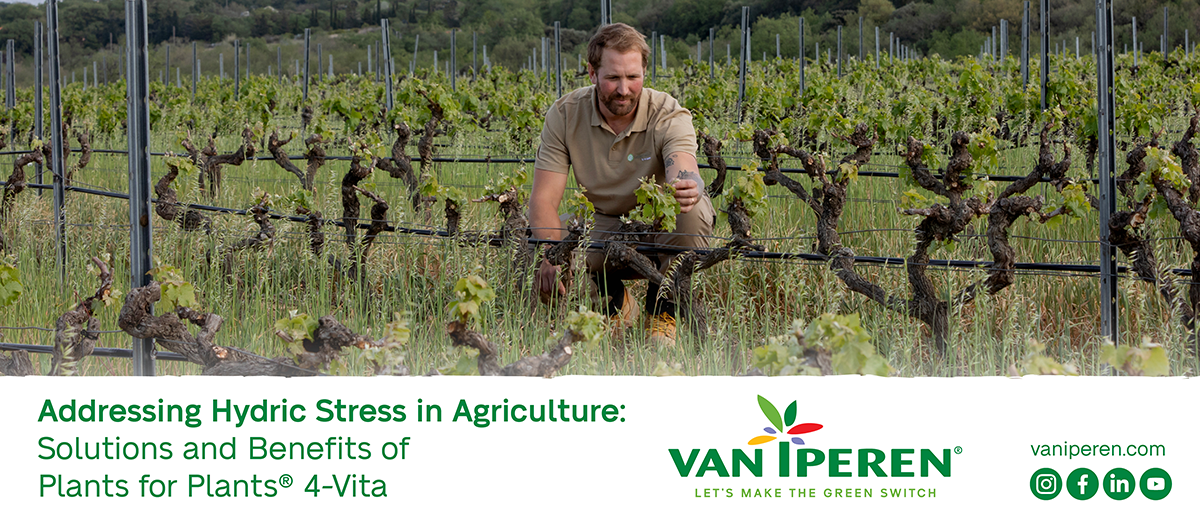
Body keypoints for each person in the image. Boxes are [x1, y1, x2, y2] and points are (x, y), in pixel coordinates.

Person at [530, 23, 715, 348]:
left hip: (659, 225)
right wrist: (550, 255)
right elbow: (544, 199)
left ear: (645, 71)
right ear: (592, 73)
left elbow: (683, 164)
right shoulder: (565, 114)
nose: (624, 89)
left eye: (633, 77)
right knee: (550, 253)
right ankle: (614, 303)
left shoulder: (667, 112)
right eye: (613, 78)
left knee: (694, 210)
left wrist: (687, 183)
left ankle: (663, 309)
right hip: (602, 224)